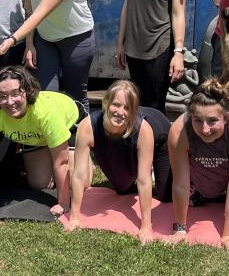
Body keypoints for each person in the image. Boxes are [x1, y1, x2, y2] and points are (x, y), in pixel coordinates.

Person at [66, 80, 173, 243]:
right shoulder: (87, 126)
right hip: (118, 139)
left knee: (166, 194)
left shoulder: (143, 129)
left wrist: (145, 227)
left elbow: (143, 181)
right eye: (116, 105)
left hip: (161, 137)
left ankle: (155, 168)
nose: (120, 112)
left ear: (133, 112)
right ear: (106, 103)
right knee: (122, 188)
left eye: (127, 108)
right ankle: (134, 159)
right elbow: (79, 174)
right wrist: (74, 217)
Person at [167, 79, 229, 250]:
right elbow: (180, 184)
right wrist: (179, 230)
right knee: (166, 193)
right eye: (197, 120)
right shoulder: (179, 131)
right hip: (197, 185)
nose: (205, 129)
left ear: (226, 117)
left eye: (212, 121)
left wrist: (228, 236)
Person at [0, 66, 78, 216]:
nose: (10, 102)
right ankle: (50, 160)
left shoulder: (44, 111)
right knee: (38, 184)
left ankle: (83, 161)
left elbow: (61, 160)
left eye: (16, 94)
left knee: (79, 183)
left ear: (27, 91)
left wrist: (63, 204)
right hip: (35, 137)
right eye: (2, 96)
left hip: (70, 123)